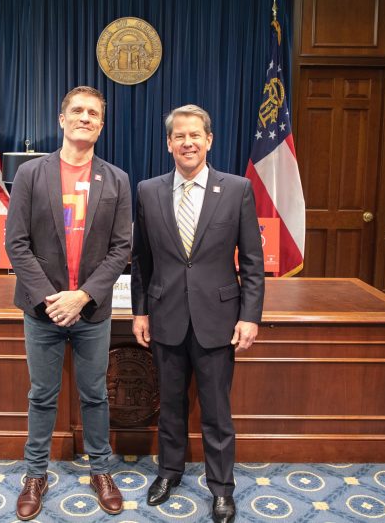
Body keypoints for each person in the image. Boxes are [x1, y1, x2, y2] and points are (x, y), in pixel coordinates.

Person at [130, 104, 265, 523]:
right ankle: (168, 473)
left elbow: (253, 263)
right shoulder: (148, 191)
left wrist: (250, 316)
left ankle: (221, 488)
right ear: (168, 143)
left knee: (216, 410)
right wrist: (140, 312)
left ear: (209, 140)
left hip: (219, 321)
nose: (187, 143)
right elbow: (141, 260)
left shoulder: (238, 188)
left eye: (195, 135)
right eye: (179, 136)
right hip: (166, 315)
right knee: (169, 405)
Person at [5, 86, 132, 521]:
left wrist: (82, 296)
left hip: (91, 309)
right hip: (42, 311)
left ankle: (101, 470)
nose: (85, 117)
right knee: (43, 395)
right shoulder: (31, 175)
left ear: (101, 123)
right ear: (62, 119)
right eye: (77, 110)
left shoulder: (116, 179)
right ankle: (35, 474)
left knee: (95, 394)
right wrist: (51, 299)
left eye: (93, 113)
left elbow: (121, 249)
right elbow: (16, 244)